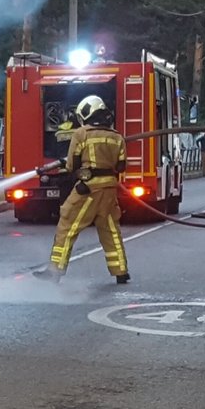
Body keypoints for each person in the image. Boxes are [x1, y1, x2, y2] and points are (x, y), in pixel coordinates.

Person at [36, 95, 129, 284]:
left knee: (67, 225)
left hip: (88, 188)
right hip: (110, 190)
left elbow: (71, 165)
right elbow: (121, 166)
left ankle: (55, 270)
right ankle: (121, 271)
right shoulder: (117, 137)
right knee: (111, 230)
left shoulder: (81, 133)